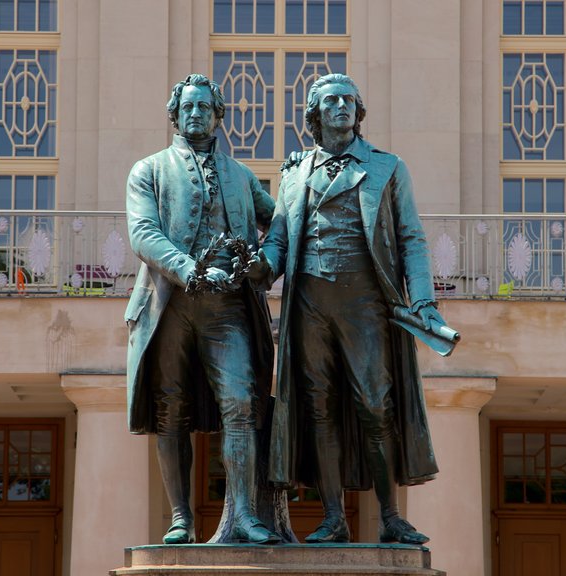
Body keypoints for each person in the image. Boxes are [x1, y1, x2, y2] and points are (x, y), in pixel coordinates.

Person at [261, 73, 443, 545]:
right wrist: (253, 270)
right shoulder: (294, 172)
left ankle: (390, 516)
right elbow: (278, 241)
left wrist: (422, 299)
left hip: (365, 304)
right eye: (330, 100)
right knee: (318, 409)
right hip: (309, 305)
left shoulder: (387, 167)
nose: (341, 106)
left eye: (349, 100)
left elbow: (412, 240)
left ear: (358, 112)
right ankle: (332, 517)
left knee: (374, 404)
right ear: (315, 114)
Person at [125, 73, 279, 545]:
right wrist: (189, 269)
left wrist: (263, 264)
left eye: (204, 107)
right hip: (169, 304)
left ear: (218, 115)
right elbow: (144, 234)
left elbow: (280, 226)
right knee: (171, 410)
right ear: (175, 115)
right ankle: (181, 517)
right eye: (187, 107)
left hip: (228, 307)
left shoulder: (242, 175)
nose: (196, 114)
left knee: (240, 402)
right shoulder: (147, 170)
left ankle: (246, 515)